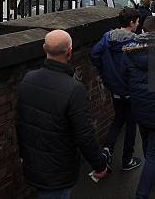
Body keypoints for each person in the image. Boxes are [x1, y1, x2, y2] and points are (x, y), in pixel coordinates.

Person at [17, 30, 108, 198]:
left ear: (44, 49)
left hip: (33, 163)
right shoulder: (74, 89)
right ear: (70, 52)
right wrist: (99, 164)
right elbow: (84, 135)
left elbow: (21, 123)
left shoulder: (28, 79)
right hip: (58, 170)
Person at [124, 16, 155, 199]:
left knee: (146, 142)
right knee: (154, 154)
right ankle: (141, 193)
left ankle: (152, 171)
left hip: (139, 106)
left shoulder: (130, 51)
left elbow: (125, 76)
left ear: (143, 31)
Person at [90, 8, 142, 172]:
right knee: (131, 123)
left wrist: (105, 70)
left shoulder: (107, 37)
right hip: (130, 89)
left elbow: (94, 54)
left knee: (119, 118)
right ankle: (127, 159)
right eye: (137, 21)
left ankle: (107, 150)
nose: (138, 24)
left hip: (114, 87)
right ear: (132, 22)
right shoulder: (135, 41)